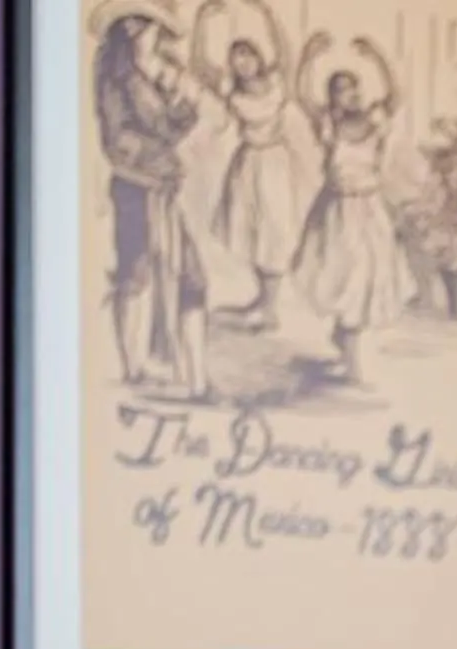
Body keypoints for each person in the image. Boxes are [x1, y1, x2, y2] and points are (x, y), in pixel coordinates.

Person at [92, 10, 208, 398]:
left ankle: (195, 380)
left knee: (189, 276)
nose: (138, 30)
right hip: (135, 185)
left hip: (165, 186)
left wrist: (186, 106)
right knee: (137, 273)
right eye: (133, 23)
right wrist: (166, 135)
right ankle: (135, 371)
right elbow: (117, 139)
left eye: (146, 23)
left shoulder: (166, 68)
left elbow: (176, 125)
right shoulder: (115, 74)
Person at [290, 34, 414, 387]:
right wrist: (308, 58)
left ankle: (351, 354)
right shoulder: (327, 124)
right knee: (342, 278)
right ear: (333, 98)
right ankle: (347, 347)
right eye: (343, 90)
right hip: (335, 211)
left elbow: (397, 95)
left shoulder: (375, 119)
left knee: (363, 280)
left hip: (368, 209)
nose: (352, 95)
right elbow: (300, 97)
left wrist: (378, 56)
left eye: (355, 88)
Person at [194, 2, 303, 331]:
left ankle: (270, 307)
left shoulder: (275, 80)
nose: (242, 62)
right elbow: (198, 65)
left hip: (274, 163)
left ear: (258, 57)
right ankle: (262, 300)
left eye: (247, 55)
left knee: (274, 232)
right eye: (235, 57)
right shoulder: (229, 88)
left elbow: (286, 53)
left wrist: (268, 14)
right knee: (251, 232)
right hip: (247, 163)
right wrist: (201, 21)